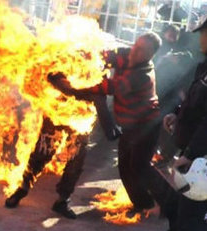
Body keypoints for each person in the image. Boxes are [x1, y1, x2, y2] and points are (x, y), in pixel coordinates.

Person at [49, 32, 168, 212]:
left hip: (146, 126)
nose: (134, 51)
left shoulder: (141, 75)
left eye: (141, 50)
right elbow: (102, 56)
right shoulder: (126, 54)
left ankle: (171, 203)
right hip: (129, 125)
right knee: (125, 168)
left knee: (140, 166)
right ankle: (143, 204)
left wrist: (72, 88)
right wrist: (81, 59)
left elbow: (107, 87)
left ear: (151, 55)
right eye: (136, 45)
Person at [144, 16, 207, 231]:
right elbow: (196, 103)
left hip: (199, 160)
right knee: (174, 206)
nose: (199, 37)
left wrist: (191, 155)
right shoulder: (203, 68)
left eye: (203, 32)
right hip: (191, 152)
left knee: (190, 220)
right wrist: (177, 115)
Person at [5, 117, 88, 219]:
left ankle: (62, 201)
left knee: (75, 163)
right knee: (41, 153)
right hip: (56, 112)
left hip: (81, 116)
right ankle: (22, 188)